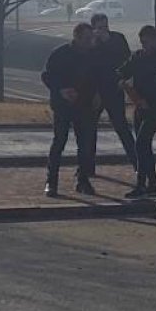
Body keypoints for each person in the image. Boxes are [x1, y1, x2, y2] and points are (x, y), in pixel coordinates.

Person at [116, 24, 156, 199]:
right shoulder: (138, 57)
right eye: (143, 42)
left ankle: (141, 184)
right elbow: (121, 71)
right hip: (139, 105)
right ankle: (152, 181)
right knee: (143, 145)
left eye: (148, 42)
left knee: (141, 143)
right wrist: (120, 80)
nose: (145, 46)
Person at [41, 22, 99, 196]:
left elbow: (97, 77)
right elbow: (47, 76)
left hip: (84, 105)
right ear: (77, 37)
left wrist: (96, 95)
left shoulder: (92, 56)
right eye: (87, 39)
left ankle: (83, 180)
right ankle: (51, 181)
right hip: (63, 105)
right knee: (59, 142)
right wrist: (61, 90)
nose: (90, 42)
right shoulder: (60, 54)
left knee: (85, 145)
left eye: (91, 39)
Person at [87, 12, 136, 178]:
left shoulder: (117, 39)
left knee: (121, 127)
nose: (103, 31)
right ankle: (87, 167)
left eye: (105, 27)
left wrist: (123, 79)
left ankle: (137, 163)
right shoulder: (91, 44)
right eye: (99, 28)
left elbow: (126, 59)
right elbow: (89, 68)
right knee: (89, 130)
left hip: (114, 90)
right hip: (96, 92)